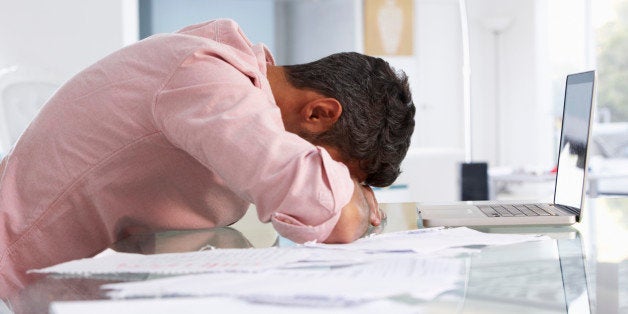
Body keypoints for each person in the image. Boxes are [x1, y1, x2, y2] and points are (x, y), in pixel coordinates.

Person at [0, 19, 415, 296]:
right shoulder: (205, 75)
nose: (344, 186)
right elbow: (334, 215)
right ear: (319, 113)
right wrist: (351, 201)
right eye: (337, 169)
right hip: (16, 283)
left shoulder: (233, 84)